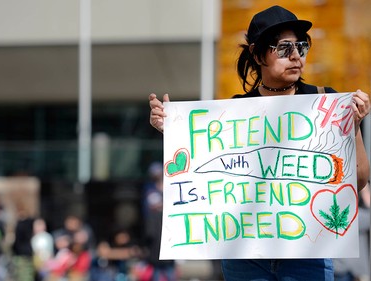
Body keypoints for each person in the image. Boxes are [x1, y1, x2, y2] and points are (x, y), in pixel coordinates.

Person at [148, 5, 370, 281]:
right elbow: (204, 175)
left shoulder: (326, 103)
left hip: (307, 256)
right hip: (246, 258)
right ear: (257, 53)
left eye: (301, 47)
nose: (295, 56)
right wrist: (174, 131)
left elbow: (358, 180)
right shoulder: (235, 113)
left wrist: (355, 126)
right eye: (283, 48)